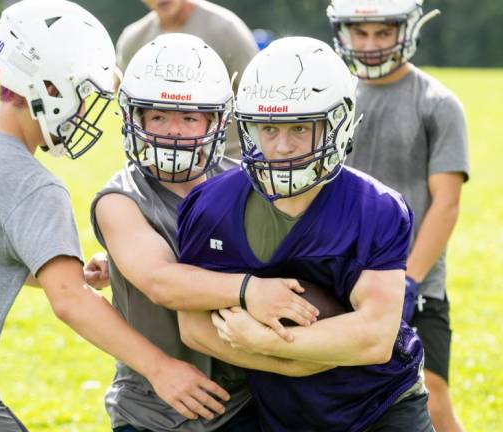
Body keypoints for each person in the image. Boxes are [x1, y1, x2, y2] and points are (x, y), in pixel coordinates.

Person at [0, 1, 228, 430]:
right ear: (51, 90)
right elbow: (68, 301)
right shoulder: (34, 184)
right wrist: (161, 369)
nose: (86, 112)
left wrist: (71, 269)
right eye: (84, 95)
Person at [177, 36, 434, 431]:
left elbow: (374, 338)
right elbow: (193, 329)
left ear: (339, 124)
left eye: (299, 127)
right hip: (285, 412)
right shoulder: (211, 206)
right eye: (269, 128)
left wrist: (263, 342)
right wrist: (294, 363)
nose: (281, 147)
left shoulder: (376, 208)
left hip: (380, 405)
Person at [91, 33, 326, 432]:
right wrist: (250, 289)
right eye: (158, 116)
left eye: (189, 117)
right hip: (154, 410)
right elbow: (162, 282)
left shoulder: (245, 183)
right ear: (136, 119)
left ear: (216, 120)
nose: (174, 131)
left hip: (244, 399)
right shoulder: (122, 198)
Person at [328, 1, 469, 430]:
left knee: (430, 392)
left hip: (416, 283)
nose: (370, 45)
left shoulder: (437, 103)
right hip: (340, 278)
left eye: (382, 33)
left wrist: (409, 278)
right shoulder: (331, 98)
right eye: (360, 33)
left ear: (405, 30)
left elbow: (446, 202)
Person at [116, 0, 259, 157]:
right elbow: (122, 95)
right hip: (155, 159)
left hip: (227, 158)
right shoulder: (133, 39)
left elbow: (258, 93)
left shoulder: (226, 29)